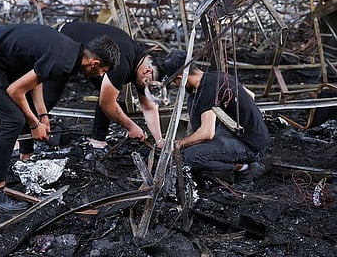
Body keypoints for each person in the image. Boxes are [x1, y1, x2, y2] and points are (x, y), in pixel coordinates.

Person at [0, 23, 120, 211]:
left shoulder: (70, 50)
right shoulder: (63, 60)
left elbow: (36, 79)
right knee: (14, 119)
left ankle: (21, 162)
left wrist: (42, 114)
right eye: (102, 70)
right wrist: (34, 123)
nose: (101, 75)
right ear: (95, 63)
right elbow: (15, 91)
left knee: (22, 110)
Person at [58, 21, 171, 153]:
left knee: (107, 91)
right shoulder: (122, 64)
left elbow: (148, 107)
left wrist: (159, 140)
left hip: (91, 50)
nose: (146, 87)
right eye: (148, 84)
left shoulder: (142, 67)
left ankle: (97, 140)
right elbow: (107, 103)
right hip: (65, 39)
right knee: (51, 90)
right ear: (147, 71)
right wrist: (131, 127)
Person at [166, 50, 270, 191]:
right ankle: (209, 152)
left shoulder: (206, 90)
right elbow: (251, 95)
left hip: (252, 146)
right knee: (193, 101)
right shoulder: (215, 77)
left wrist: (179, 144)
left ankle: (245, 168)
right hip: (246, 134)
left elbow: (207, 133)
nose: (177, 86)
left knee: (191, 156)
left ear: (180, 77)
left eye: (175, 82)